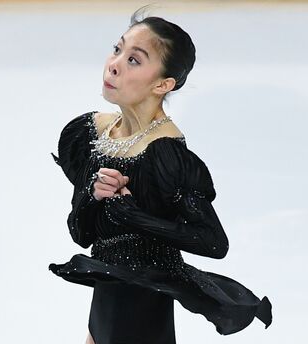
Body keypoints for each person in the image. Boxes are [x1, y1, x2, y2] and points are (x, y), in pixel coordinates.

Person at [49, 5, 272, 344]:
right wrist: (94, 196)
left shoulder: (165, 154)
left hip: (143, 308)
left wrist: (132, 215)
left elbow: (213, 241)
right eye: (117, 49)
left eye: (134, 60)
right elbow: (80, 233)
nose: (114, 64)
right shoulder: (92, 134)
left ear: (163, 84)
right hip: (106, 304)